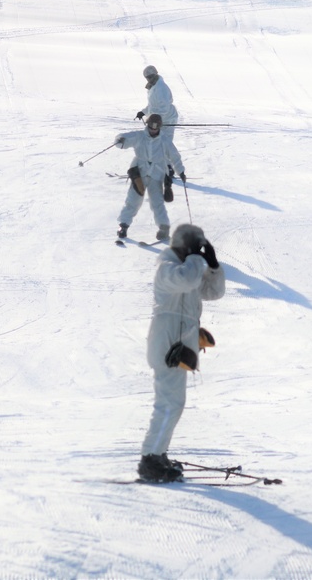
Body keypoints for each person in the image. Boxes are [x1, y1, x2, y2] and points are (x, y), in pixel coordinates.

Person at [138, 224, 226, 482]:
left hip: (178, 346)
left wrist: (214, 266)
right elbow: (187, 279)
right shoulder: (167, 269)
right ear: (186, 248)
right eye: (196, 247)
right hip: (168, 346)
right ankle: (150, 460)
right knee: (169, 404)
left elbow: (215, 292)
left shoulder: (187, 269)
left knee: (172, 404)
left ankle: (157, 454)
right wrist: (197, 258)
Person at [114, 113, 186, 242]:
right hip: (139, 173)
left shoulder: (164, 140)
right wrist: (120, 140)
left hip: (156, 174)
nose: (153, 130)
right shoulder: (139, 136)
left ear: (159, 127)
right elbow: (123, 140)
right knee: (133, 200)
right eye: (151, 127)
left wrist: (180, 171)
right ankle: (123, 226)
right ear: (147, 125)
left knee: (157, 202)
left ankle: (164, 227)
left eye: (156, 127)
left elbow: (174, 156)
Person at [135, 65, 180, 201]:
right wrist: (143, 112)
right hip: (159, 120)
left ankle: (168, 171)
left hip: (167, 120)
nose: (149, 79)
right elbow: (153, 106)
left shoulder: (161, 88)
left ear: (155, 74)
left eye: (151, 76)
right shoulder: (153, 87)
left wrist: (154, 120)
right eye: (147, 77)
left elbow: (163, 109)